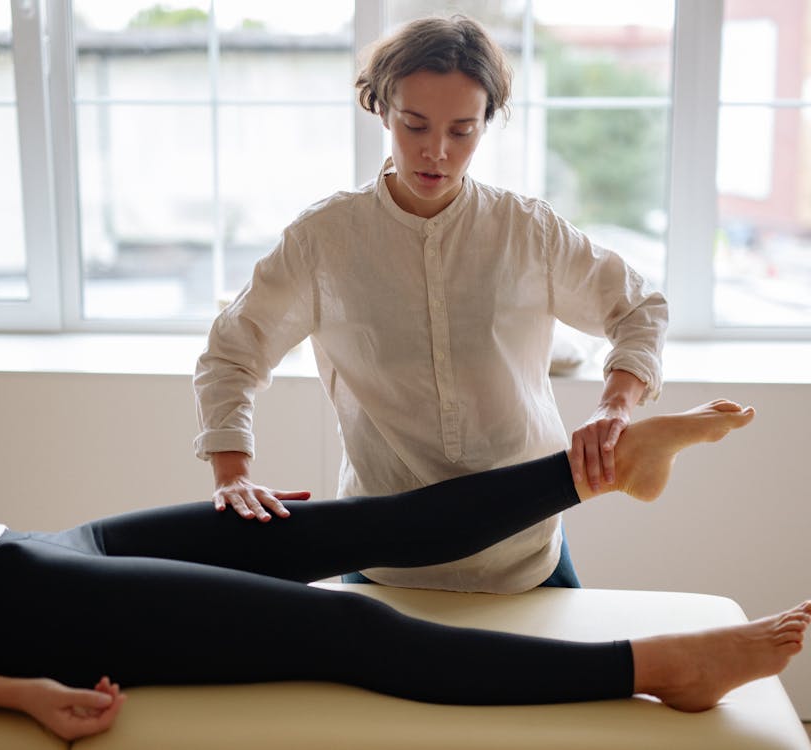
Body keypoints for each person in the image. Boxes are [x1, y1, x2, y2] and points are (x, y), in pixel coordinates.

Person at [0, 402, 811, 742]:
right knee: (343, 629)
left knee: (358, 526)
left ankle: (608, 465)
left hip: (35, 551)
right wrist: (19, 695)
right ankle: (658, 670)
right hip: (13, 615)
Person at [193, 14, 668, 593]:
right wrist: (231, 473)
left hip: (525, 551)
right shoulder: (325, 239)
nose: (435, 152)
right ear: (382, 111)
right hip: (384, 557)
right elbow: (231, 353)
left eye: (461, 131)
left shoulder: (527, 231)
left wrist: (616, 406)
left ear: (487, 124)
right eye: (414, 124)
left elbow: (640, 307)